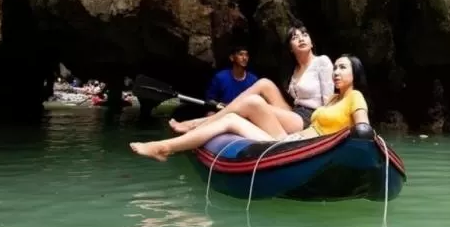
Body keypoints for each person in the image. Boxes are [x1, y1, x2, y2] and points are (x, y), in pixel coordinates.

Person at [130, 55, 369, 162]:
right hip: (291, 141)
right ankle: (165, 148)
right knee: (230, 119)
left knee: (251, 105)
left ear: (355, 74)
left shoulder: (354, 96)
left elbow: (362, 126)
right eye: (335, 68)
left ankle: (167, 145)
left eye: (342, 68)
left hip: (306, 147)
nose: (336, 72)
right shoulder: (331, 101)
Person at [169, 26, 333, 135]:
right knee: (264, 84)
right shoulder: (294, 69)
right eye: (295, 37)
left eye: (305, 35)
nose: (301, 38)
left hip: (310, 118)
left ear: (312, 42)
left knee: (253, 105)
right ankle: (207, 120)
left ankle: (197, 124)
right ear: (290, 47)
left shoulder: (322, 62)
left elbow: (329, 100)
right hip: (295, 111)